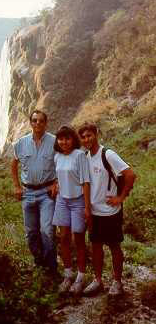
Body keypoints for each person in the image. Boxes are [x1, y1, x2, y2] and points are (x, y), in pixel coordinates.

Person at [78, 123, 136, 296]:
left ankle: (117, 282)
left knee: (114, 246)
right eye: (83, 137)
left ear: (96, 135)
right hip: (94, 211)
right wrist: (87, 208)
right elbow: (86, 184)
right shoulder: (86, 157)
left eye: (89, 135)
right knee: (96, 246)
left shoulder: (107, 154)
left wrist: (121, 197)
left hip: (111, 211)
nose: (86, 139)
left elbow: (130, 174)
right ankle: (98, 281)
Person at [11, 110, 58, 273]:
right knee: (31, 232)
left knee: (47, 230)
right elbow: (13, 165)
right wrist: (17, 186)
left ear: (46, 123)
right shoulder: (20, 143)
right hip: (27, 193)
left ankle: (51, 266)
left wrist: (57, 182)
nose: (38, 123)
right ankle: (39, 262)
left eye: (41, 121)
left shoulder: (54, 142)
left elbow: (62, 162)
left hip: (47, 193)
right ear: (30, 122)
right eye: (35, 120)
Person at [52, 126, 91, 294]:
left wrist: (87, 207)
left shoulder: (80, 155)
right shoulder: (57, 156)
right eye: (60, 139)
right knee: (64, 238)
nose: (64, 142)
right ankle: (68, 274)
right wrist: (55, 185)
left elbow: (86, 182)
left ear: (73, 140)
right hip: (62, 200)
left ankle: (80, 277)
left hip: (77, 201)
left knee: (79, 240)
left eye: (67, 138)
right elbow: (58, 176)